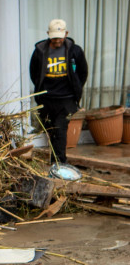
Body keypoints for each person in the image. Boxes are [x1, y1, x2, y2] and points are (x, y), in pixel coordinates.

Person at [29, 19, 88, 165]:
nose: (56, 41)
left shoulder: (75, 51)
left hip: (66, 99)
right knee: (51, 130)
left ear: (66, 34)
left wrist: (76, 89)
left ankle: (60, 163)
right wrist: (40, 91)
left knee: (61, 130)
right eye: (54, 38)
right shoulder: (40, 51)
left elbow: (83, 72)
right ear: (48, 35)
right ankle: (54, 161)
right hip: (46, 99)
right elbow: (34, 73)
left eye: (59, 38)